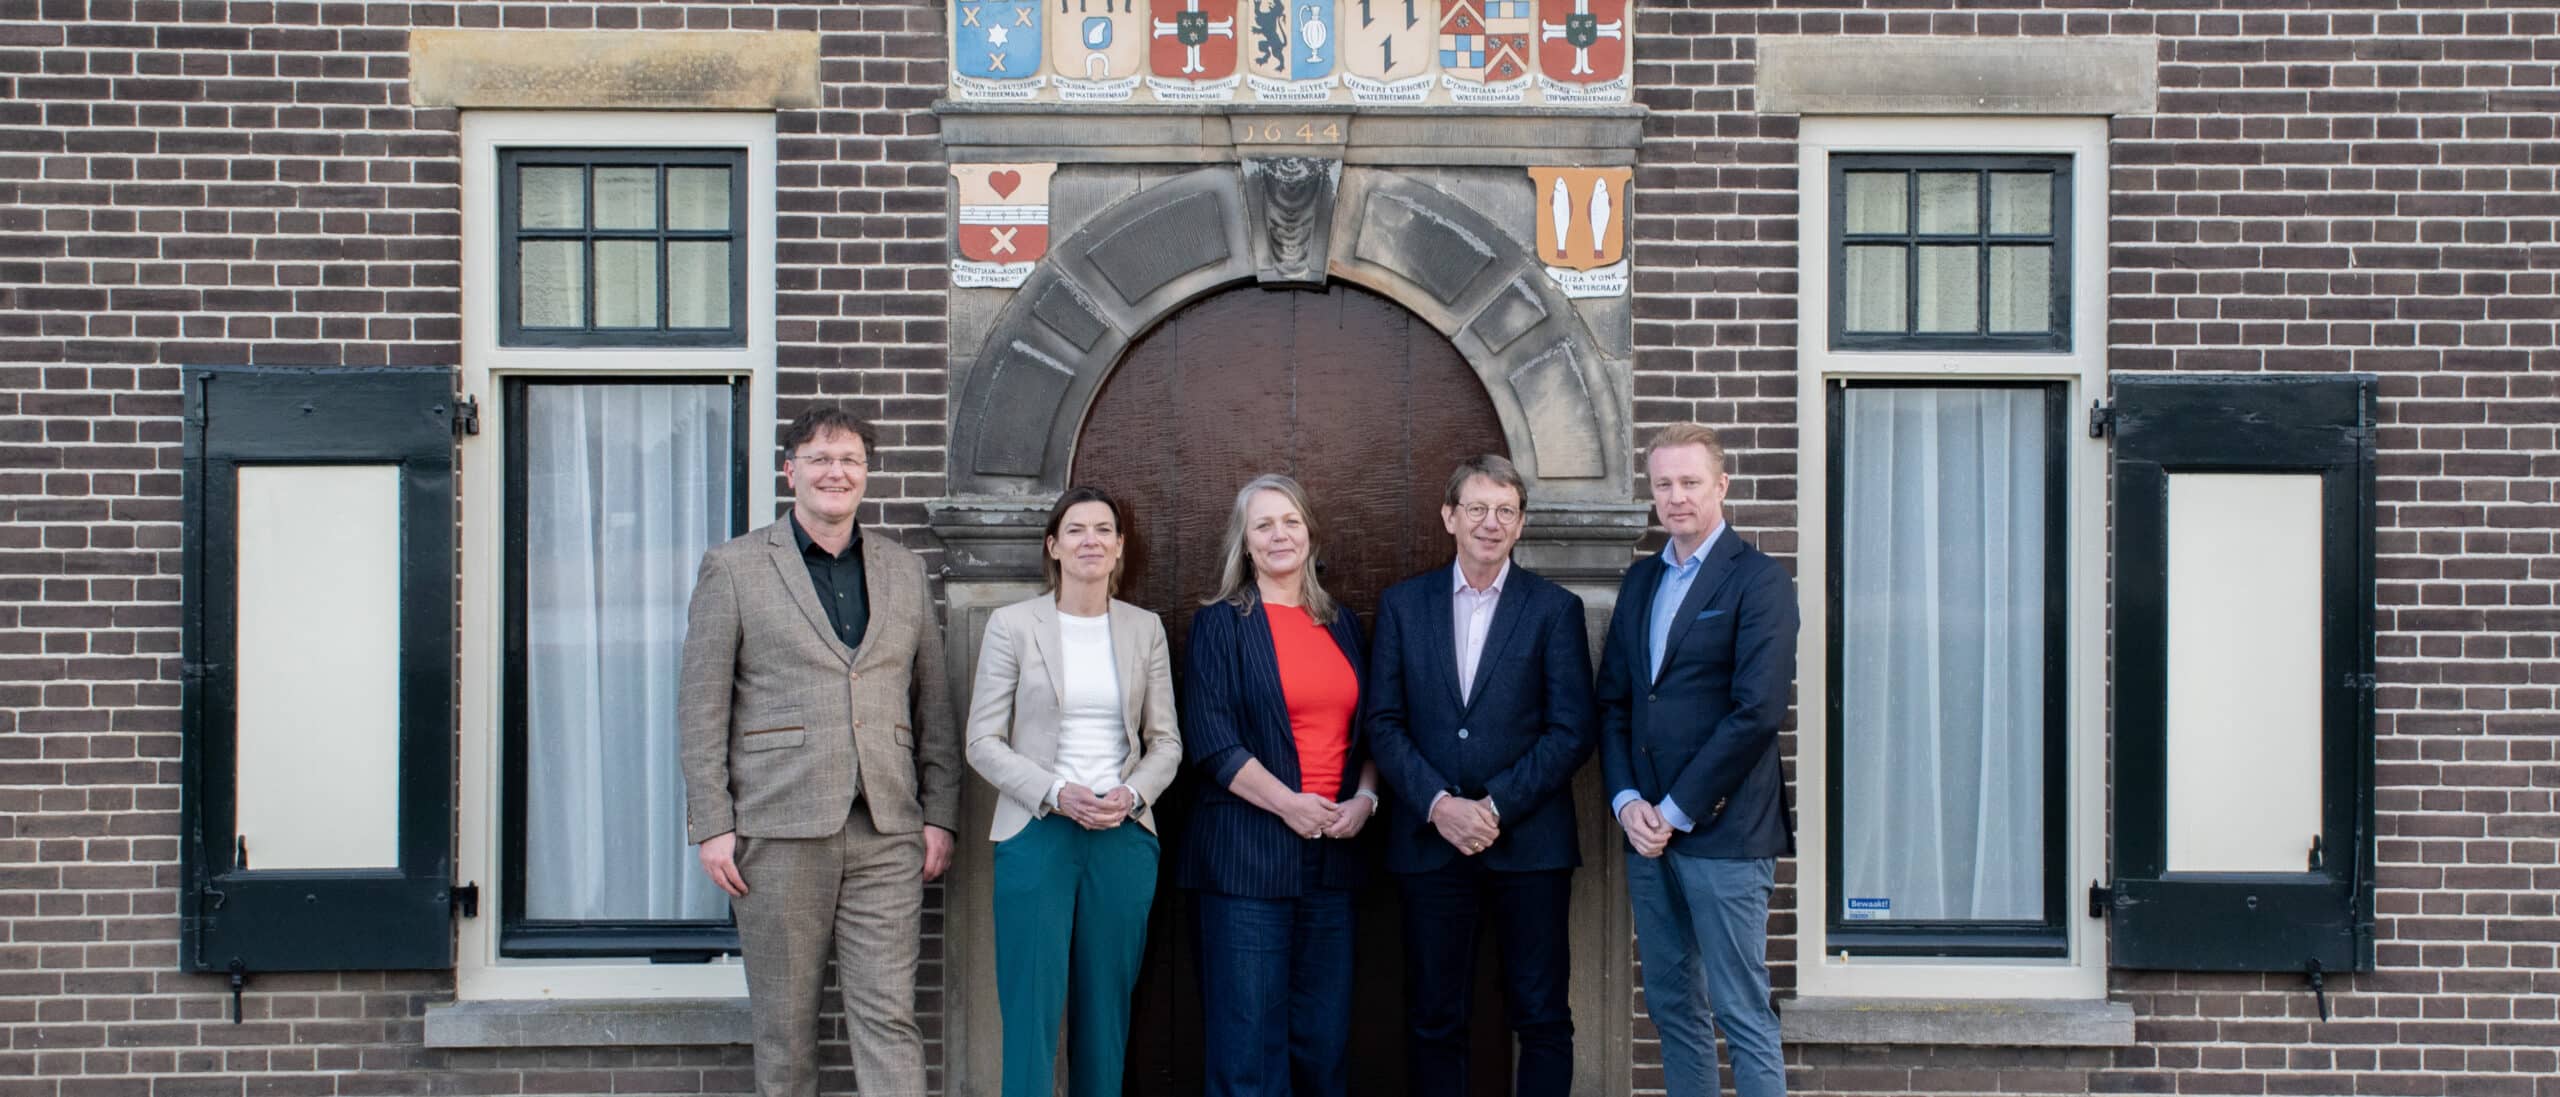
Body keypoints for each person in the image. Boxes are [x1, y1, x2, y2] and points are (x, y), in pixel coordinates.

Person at [677, 404, 962, 1097]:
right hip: (777, 829)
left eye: (850, 460)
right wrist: (713, 823)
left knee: (890, 1019)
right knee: (785, 1029)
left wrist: (940, 814)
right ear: (790, 472)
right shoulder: (734, 567)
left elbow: (933, 703)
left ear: (867, 473)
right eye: (821, 459)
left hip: (889, 831)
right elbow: (702, 706)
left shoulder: (902, 570)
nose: (837, 472)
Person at [1365, 455, 1595, 1097]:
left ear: (1520, 524)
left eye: (1505, 511)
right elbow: (1383, 722)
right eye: (1477, 509)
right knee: (1434, 1017)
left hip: (1530, 847)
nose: (1490, 523)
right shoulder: (1403, 605)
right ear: (1450, 517)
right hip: (1429, 844)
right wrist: (1440, 804)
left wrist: (1493, 808)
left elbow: (1572, 730)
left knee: (1542, 1016)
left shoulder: (1555, 609)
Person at [1595, 423, 1798, 1097]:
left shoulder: (1760, 580)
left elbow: (1756, 711)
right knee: (1673, 1009)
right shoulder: (1641, 581)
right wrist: (1627, 801)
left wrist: (1677, 808)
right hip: (1646, 837)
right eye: (1664, 484)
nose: (1676, 497)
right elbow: (1616, 701)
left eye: (1690, 482)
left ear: (1722, 485)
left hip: (1726, 833)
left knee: (1742, 1011)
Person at [964, 486, 1182, 1097]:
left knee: (1106, 1016)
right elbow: (982, 741)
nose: (1091, 540)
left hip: (1122, 837)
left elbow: (1166, 741)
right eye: (1076, 530)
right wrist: (1056, 792)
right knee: (1030, 1012)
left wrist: (1132, 795)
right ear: (1053, 546)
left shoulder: (1144, 628)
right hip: (1036, 833)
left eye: (1103, 530)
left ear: (1119, 547)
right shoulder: (1013, 625)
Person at [1178, 473, 1380, 1097]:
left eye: (1291, 521)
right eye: (1263, 525)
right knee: (1248, 1051)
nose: (1279, 535)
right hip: (1247, 858)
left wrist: (1366, 799)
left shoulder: (1340, 624)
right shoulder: (1220, 624)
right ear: (1244, 543)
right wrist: (1290, 805)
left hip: (1333, 857)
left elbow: (1370, 732)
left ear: (1310, 533)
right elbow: (1212, 740)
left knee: (1324, 1043)